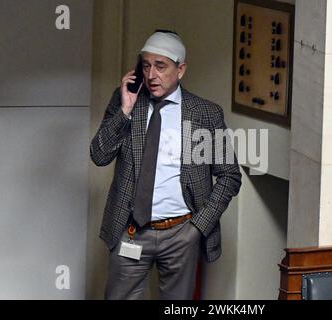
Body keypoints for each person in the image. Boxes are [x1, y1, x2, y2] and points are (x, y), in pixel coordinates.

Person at [90, 30, 242, 300]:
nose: (151, 75)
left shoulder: (205, 113)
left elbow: (229, 176)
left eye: (161, 67)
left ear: (180, 70)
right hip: (131, 231)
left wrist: (197, 229)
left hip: (181, 233)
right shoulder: (127, 101)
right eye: (146, 65)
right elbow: (99, 155)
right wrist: (125, 110)